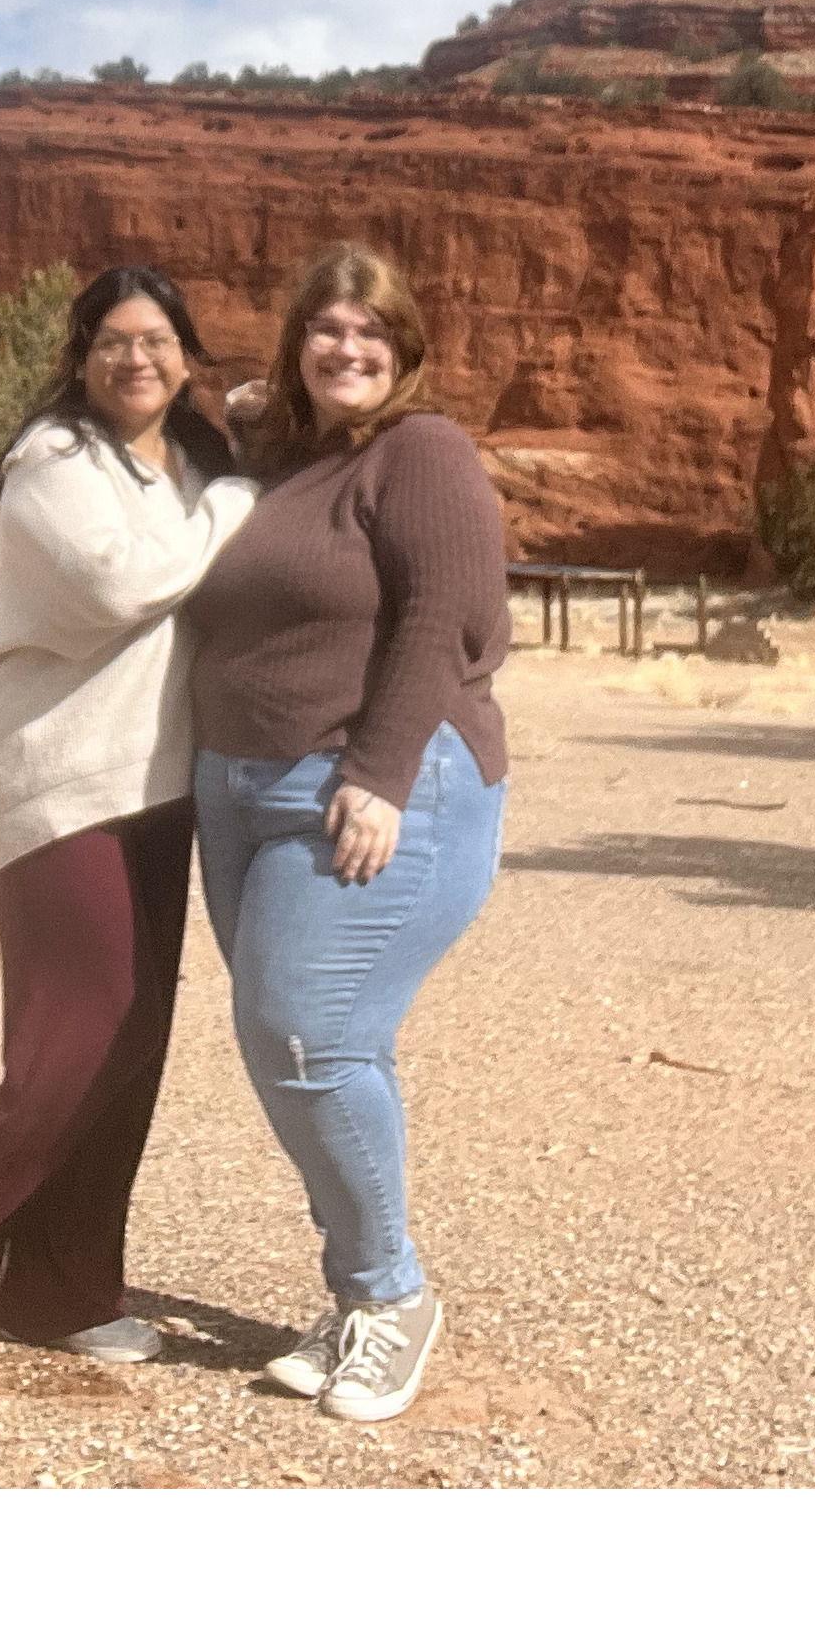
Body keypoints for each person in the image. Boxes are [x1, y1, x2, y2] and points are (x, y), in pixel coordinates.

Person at [0, 264, 255, 1358]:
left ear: (187, 355)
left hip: (160, 782)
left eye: (155, 340)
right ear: (80, 357)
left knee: (135, 1036)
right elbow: (113, 584)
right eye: (111, 341)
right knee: (85, 1023)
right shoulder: (51, 463)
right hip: (56, 776)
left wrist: (246, 451)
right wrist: (238, 506)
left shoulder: (197, 464)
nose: (134, 359)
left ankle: (63, 1288)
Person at [180, 242, 508, 1428]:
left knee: (311, 1033)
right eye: (324, 329)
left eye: (369, 331)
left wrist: (377, 771)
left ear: (405, 348)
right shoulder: (294, 468)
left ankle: (392, 1294)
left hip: (373, 786)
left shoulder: (423, 452)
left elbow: (447, 612)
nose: (347, 348)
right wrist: (253, 404)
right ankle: (356, 1294)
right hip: (242, 791)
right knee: (289, 1046)